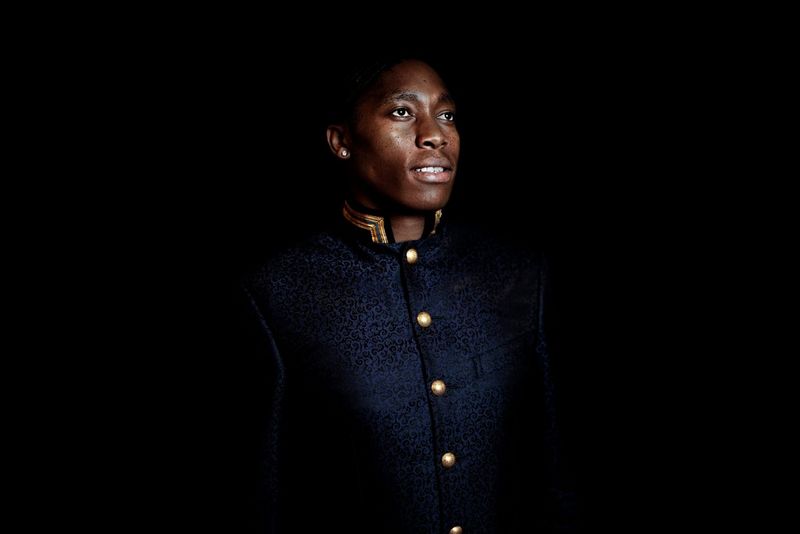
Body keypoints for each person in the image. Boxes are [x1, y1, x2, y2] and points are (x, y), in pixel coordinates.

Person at [239, 55, 577, 533]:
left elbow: (555, 475)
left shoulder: (518, 273)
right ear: (341, 141)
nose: (435, 135)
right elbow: (264, 497)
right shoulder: (277, 292)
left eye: (447, 115)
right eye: (402, 112)